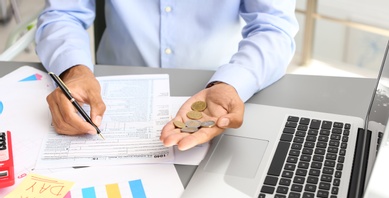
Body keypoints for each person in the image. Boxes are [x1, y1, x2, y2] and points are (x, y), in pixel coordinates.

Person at [35, 1, 299, 151]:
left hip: (219, 90)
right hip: (109, 88)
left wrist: (232, 83)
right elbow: (63, 12)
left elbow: (273, 28)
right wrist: (74, 69)